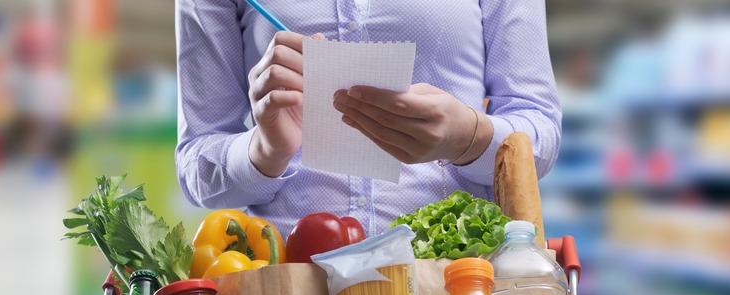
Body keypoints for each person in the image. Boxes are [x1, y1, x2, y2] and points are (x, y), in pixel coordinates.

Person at [175, 1, 561, 239]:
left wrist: (467, 136)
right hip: (288, 288)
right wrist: (263, 151)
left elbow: (539, 129)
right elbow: (196, 161)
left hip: (450, 279)